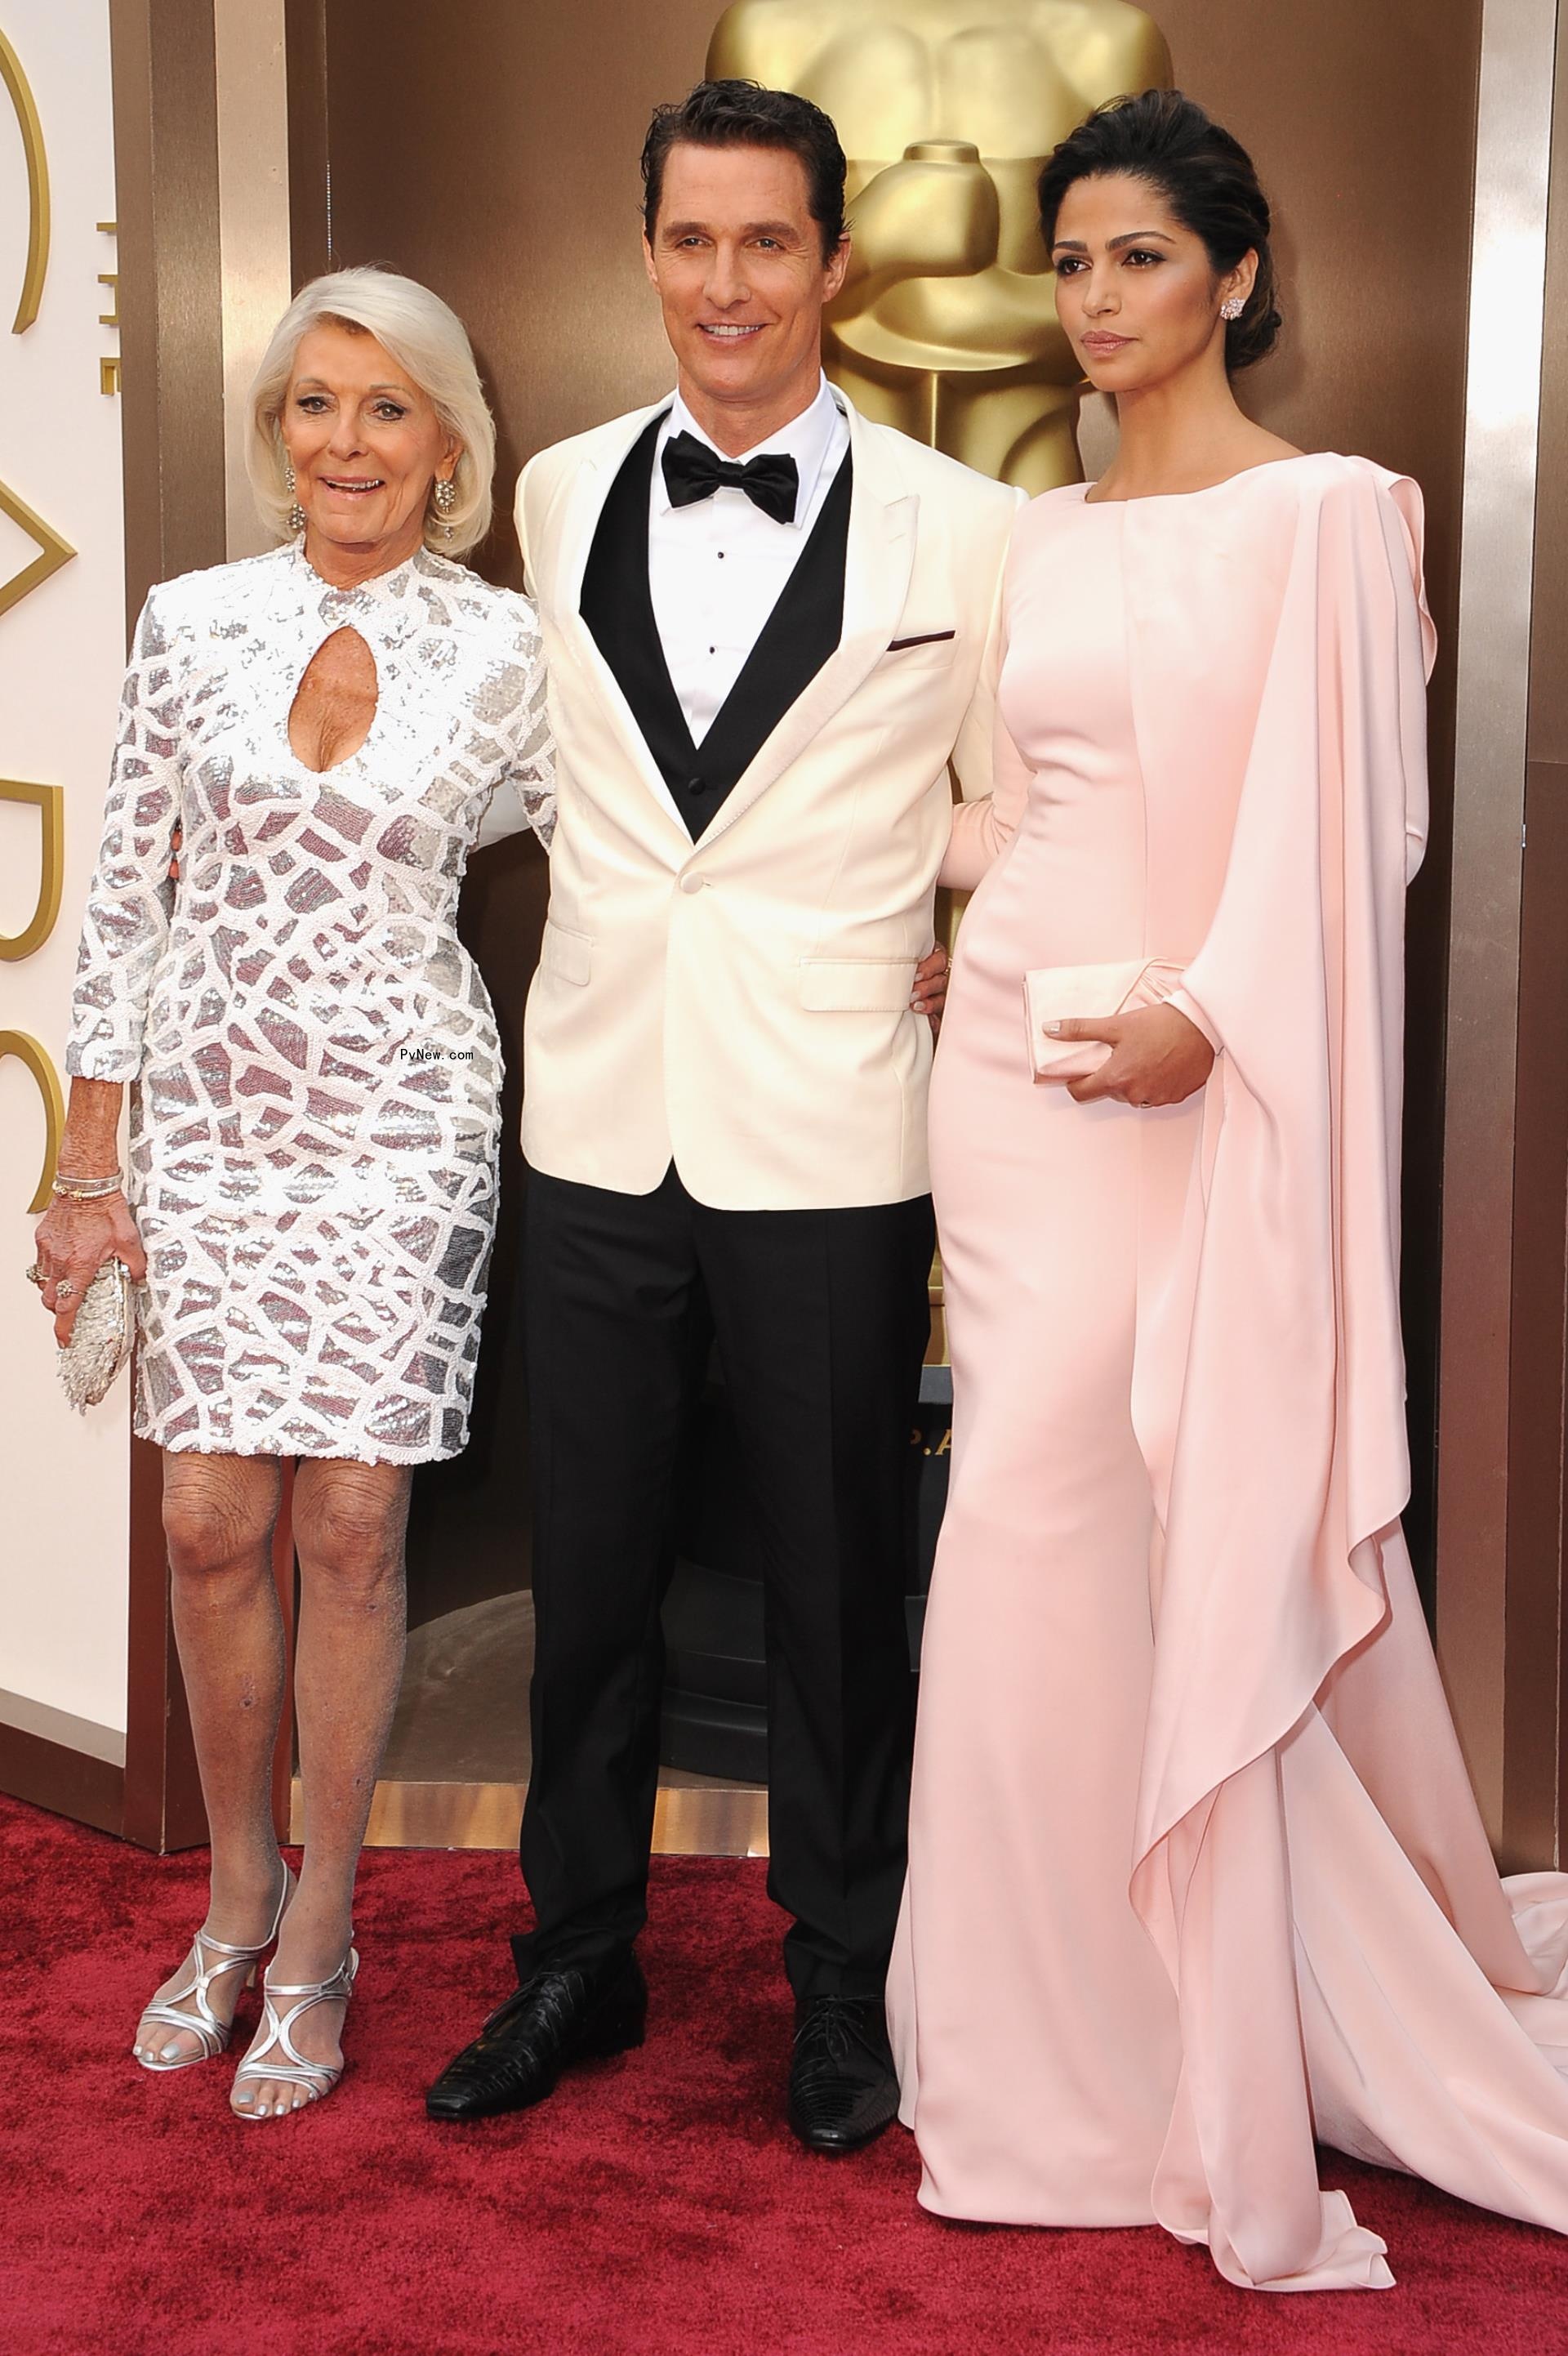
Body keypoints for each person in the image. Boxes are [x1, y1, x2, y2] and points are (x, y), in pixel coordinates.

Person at [888, 89, 1568, 2291]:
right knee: (1018, 1518)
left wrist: (1213, 1012)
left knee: (1137, 1507)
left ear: (1238, 279)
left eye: (1140, 261)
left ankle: (1183, 2020)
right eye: (1069, 263)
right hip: (1009, 1075)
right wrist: (935, 898)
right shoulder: (1045, 534)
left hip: (1201, 1071)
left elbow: (1351, 838)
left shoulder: (1335, 518)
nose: (1094, 301)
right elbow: (1025, 796)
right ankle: (1025, 2033)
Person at [426, 80, 1017, 2152]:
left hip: (839, 1120)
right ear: (649, 251)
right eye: (693, 241)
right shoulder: (565, 487)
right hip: (597, 1108)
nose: (729, 283)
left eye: (770, 242)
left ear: (834, 263)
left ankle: (847, 1985)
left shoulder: (973, 530)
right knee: (584, 1572)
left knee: (847, 1583)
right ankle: (575, 1957)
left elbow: (1015, 799)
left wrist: (974, 930)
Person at [30, 267, 554, 2122]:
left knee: (348, 1522)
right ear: (278, 434)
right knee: (201, 1520)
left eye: (386, 406)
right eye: (314, 405)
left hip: (402, 1120)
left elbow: (646, 862)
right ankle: (236, 1890)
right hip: (213, 1122)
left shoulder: (507, 650)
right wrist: (86, 1159)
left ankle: (323, 1925)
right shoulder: (190, 623)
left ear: (447, 445)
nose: (345, 440)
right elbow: (127, 901)